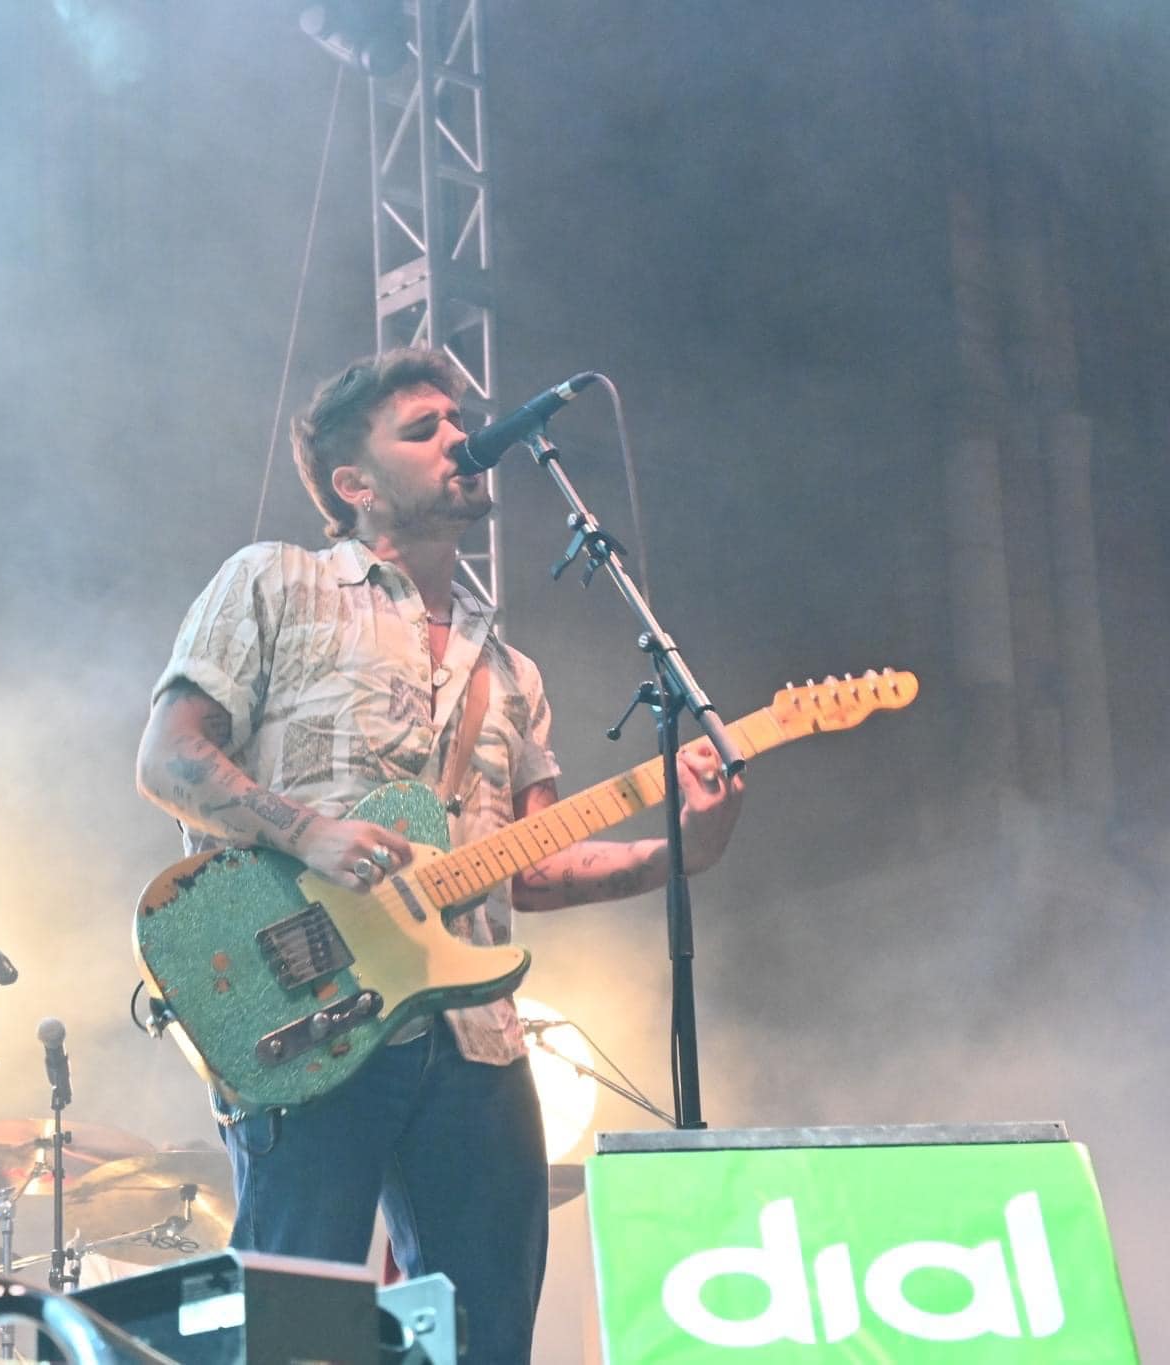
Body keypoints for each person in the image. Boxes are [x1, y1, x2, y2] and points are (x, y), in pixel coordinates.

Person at [134, 347, 745, 1361]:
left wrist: (677, 853)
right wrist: (306, 829)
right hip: (305, 1008)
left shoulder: (508, 671)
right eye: (422, 427)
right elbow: (168, 755)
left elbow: (532, 870)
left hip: (474, 1038)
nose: (461, 437)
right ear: (353, 483)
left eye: (459, 418)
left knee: (487, 1336)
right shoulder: (275, 584)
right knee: (294, 1332)